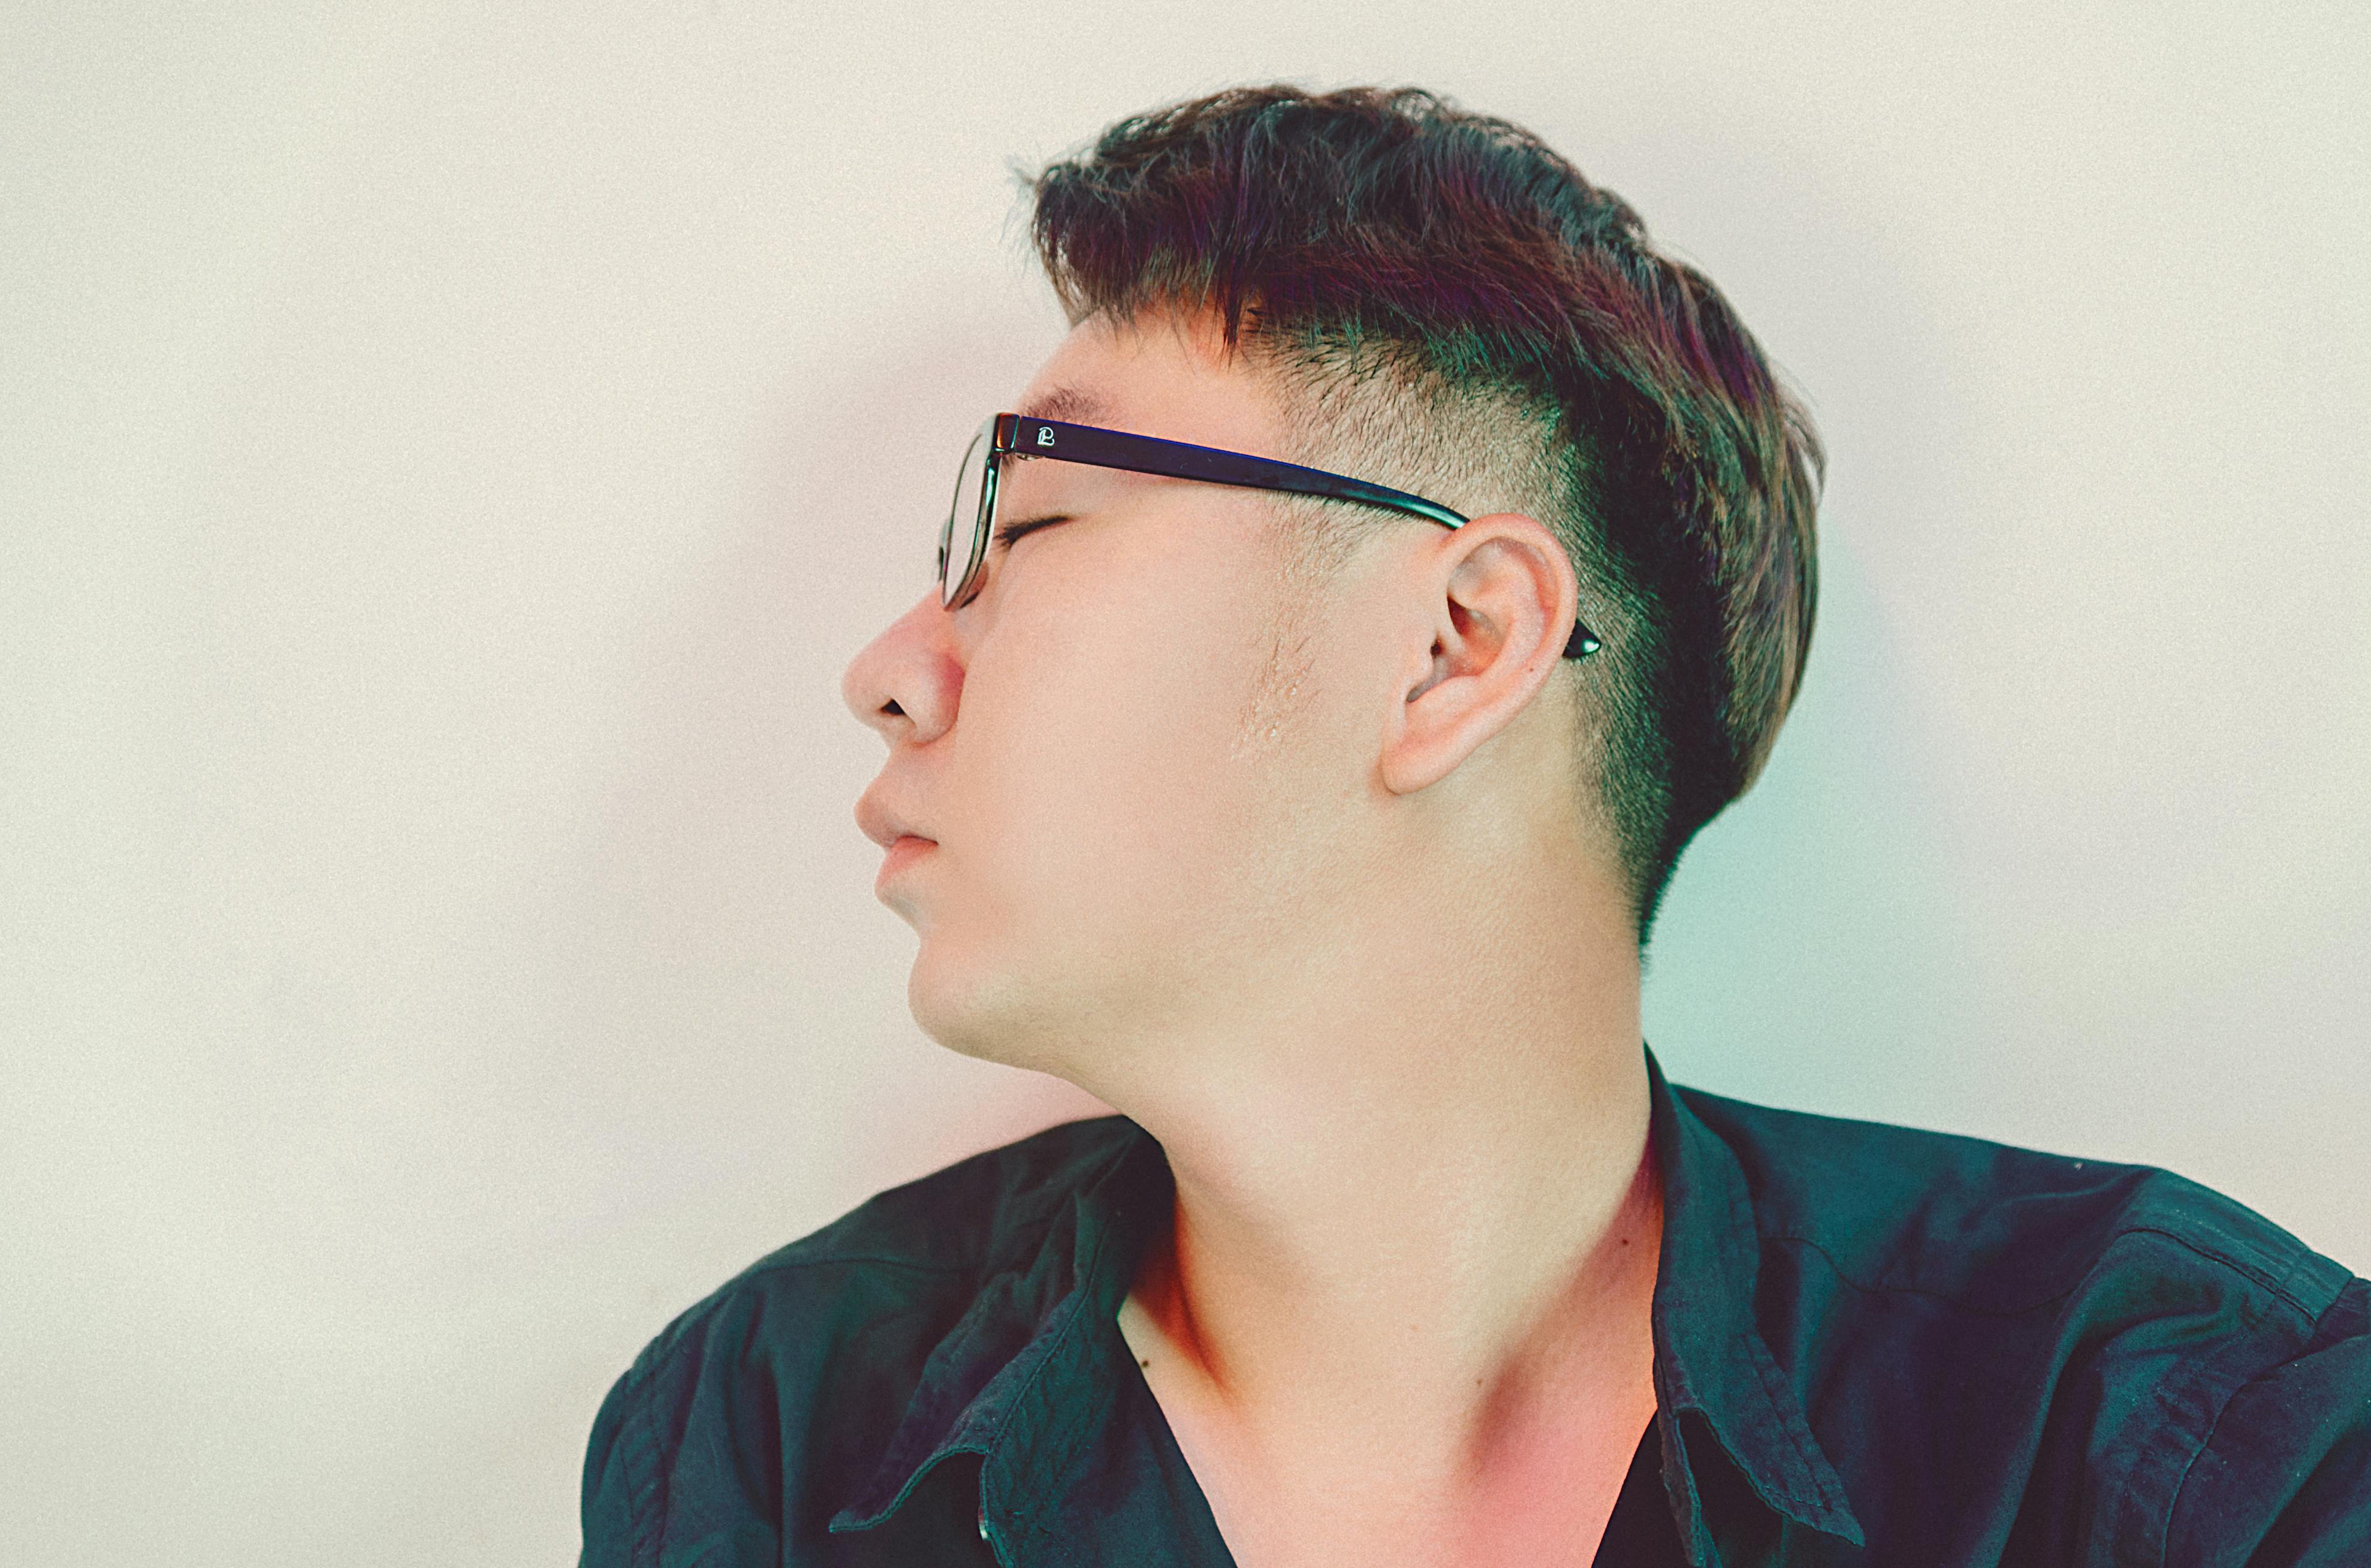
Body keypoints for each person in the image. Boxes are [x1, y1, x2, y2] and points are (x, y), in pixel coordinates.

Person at [577, 84, 2369, 1567]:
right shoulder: (768, 1429)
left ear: (1453, 647)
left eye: (1025, 527)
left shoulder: (2175, 1438)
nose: (889, 671)